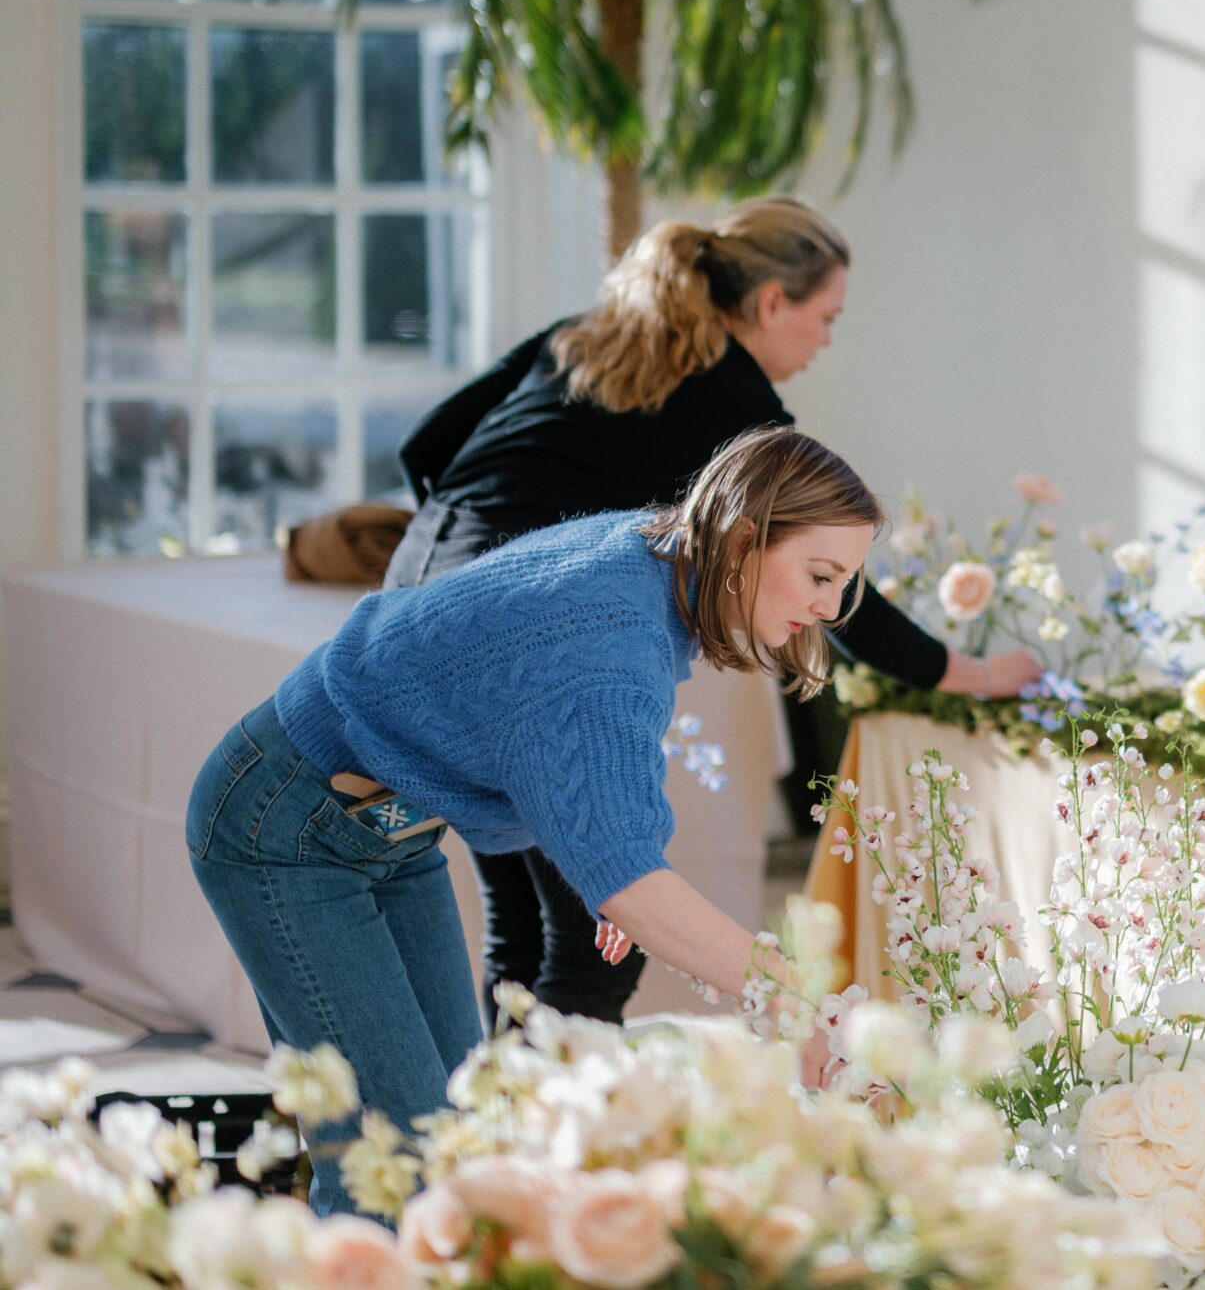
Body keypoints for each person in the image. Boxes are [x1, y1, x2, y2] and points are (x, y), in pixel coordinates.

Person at [384, 198, 1038, 1028]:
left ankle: (512, 1126)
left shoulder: (583, 332)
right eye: (825, 317)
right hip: (528, 633)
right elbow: (834, 589)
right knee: (592, 937)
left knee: (522, 916)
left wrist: (464, 563)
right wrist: (970, 672)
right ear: (772, 304)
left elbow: (425, 446)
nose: (827, 339)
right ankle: (556, 1137)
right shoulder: (729, 397)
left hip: (421, 596)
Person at [188, 428, 868, 1213]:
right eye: (821, 575)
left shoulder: (650, 563)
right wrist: (790, 996)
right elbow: (626, 860)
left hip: (388, 832)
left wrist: (618, 866)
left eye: (844, 584)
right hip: (282, 824)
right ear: (745, 539)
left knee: (452, 1138)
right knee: (392, 1163)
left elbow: (561, 737)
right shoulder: (610, 641)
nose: (830, 607)